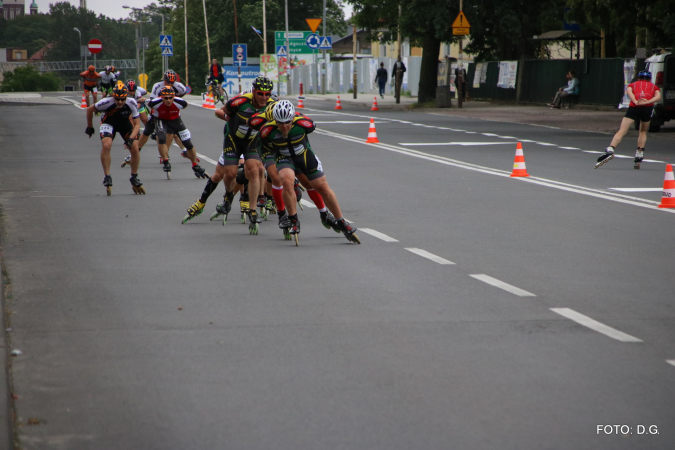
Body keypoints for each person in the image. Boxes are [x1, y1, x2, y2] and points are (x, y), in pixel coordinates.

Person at [182, 76, 276, 233]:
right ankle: (228, 197)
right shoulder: (239, 101)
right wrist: (232, 120)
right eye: (260, 93)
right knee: (231, 173)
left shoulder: (271, 105)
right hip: (232, 138)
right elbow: (219, 112)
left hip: (251, 141)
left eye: (267, 94)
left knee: (253, 169)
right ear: (254, 92)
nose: (264, 97)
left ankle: (252, 211)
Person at [258, 100, 359, 244]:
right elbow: (262, 148)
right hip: (284, 157)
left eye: (287, 122)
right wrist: (268, 161)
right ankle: (293, 219)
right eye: (280, 123)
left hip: (304, 155)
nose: (284, 126)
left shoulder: (305, 123)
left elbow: (308, 132)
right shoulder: (267, 130)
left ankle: (341, 221)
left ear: (293, 118)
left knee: (322, 186)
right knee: (286, 180)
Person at [84, 83, 145, 195]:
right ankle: (107, 176)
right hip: (109, 123)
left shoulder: (132, 102)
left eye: (122, 99)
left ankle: (134, 177)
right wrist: (90, 126)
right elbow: (89, 110)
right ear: (113, 96)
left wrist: (131, 139)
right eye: (117, 99)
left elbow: (137, 125)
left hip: (125, 124)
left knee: (135, 148)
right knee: (106, 145)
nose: (120, 102)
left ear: (126, 97)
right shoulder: (106, 102)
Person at [595, 70, 661, 169]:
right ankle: (639, 152)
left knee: (622, 130)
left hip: (634, 107)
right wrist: (647, 102)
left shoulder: (632, 85)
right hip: (647, 107)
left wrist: (636, 101)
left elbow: (630, 94)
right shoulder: (653, 86)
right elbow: (658, 97)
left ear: (638, 78)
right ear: (649, 79)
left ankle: (611, 149)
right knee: (643, 130)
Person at [146, 86, 208, 179]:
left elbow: (184, 105)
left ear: (174, 97)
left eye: (171, 98)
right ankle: (165, 161)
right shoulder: (154, 103)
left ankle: (195, 165)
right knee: (162, 139)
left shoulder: (181, 103)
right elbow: (151, 109)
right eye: (165, 98)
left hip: (176, 121)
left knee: (188, 143)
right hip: (161, 120)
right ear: (161, 97)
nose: (168, 100)